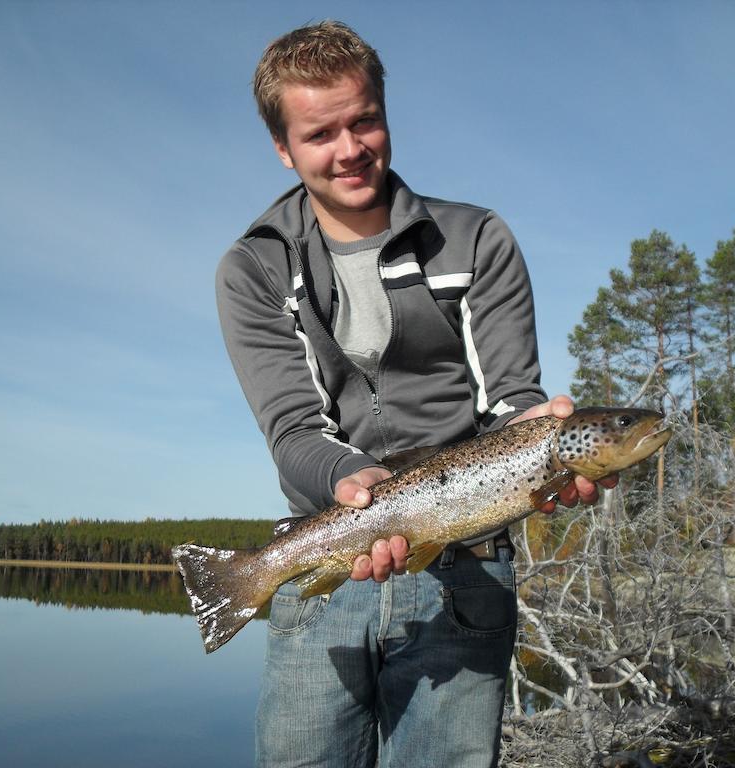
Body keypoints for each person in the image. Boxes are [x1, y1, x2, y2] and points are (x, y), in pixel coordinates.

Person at [216, 20, 615, 768]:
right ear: (283, 146)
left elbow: (512, 401)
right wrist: (355, 486)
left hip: (468, 569)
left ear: (386, 113)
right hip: (324, 561)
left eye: (364, 119)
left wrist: (544, 436)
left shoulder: (475, 239)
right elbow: (294, 431)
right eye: (320, 132)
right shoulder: (254, 268)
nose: (349, 148)